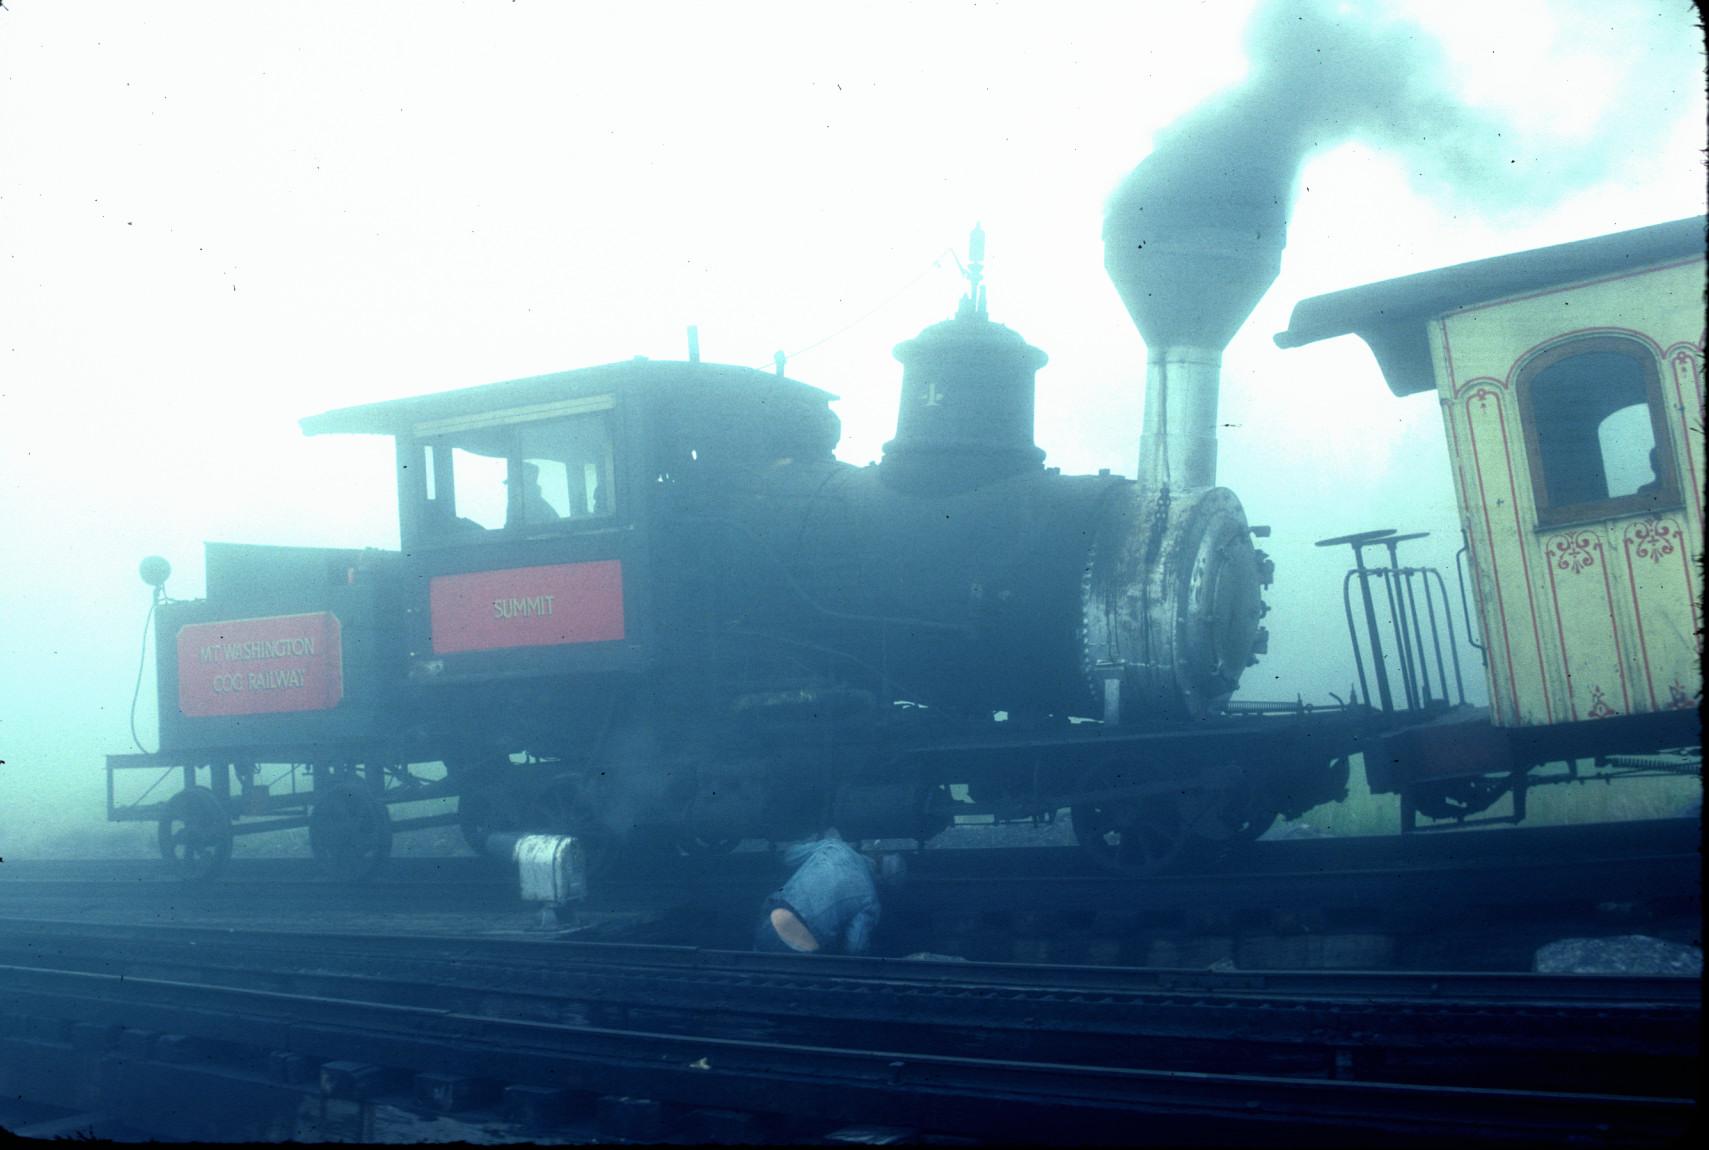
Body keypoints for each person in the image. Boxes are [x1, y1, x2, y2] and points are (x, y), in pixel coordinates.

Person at [754, 828, 905, 955]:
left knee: (757, 963)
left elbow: (789, 857)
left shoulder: (833, 846)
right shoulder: (870, 901)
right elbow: (855, 947)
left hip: (772, 919)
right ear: (882, 883)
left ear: (876, 857)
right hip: (804, 946)